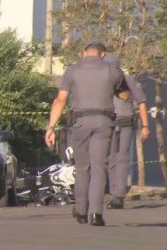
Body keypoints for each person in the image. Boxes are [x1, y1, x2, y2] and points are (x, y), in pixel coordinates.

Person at [44, 42, 130, 226]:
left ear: (84, 53)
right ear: (103, 54)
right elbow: (125, 96)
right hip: (104, 121)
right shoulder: (112, 70)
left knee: (82, 167)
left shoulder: (72, 70)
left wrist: (50, 127)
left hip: (80, 121)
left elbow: (60, 100)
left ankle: (81, 210)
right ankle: (96, 213)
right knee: (99, 166)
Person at [103, 54, 150, 209]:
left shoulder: (128, 80)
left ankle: (118, 194)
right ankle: (113, 192)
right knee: (111, 158)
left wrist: (145, 126)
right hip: (109, 122)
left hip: (125, 122)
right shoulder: (107, 80)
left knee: (121, 158)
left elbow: (141, 103)